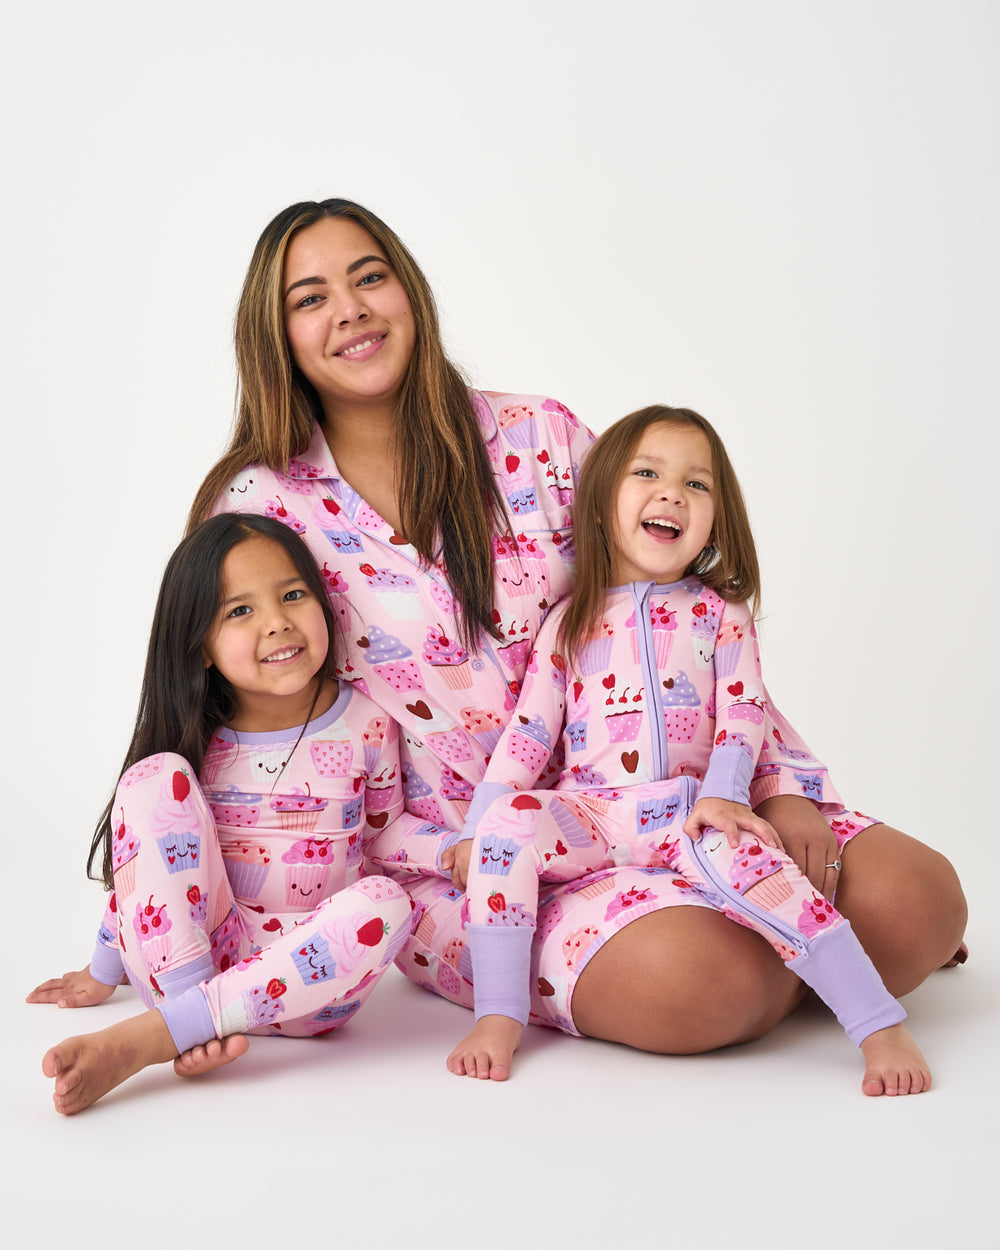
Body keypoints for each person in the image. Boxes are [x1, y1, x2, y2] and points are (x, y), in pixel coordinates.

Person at [31, 198, 966, 1082]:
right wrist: (135, 951)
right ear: (273, 335)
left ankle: (788, 955)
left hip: (670, 790)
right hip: (470, 858)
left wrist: (779, 785)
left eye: (369, 277)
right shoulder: (258, 504)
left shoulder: (542, 436)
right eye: (309, 298)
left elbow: (683, 618)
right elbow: (224, 726)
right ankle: (784, 966)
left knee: (923, 905)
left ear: (409, 289)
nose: (350, 311)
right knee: (707, 986)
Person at [448, 405, 929, 1094]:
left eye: (696, 484)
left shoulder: (719, 612)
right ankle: (498, 1015)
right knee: (506, 825)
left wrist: (726, 797)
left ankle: (878, 1024)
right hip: (597, 815)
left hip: (690, 810)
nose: (672, 494)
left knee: (772, 879)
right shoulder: (567, 621)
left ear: (716, 518)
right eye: (647, 474)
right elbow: (529, 734)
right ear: (600, 500)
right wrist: (478, 827)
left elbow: (744, 712)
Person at [31, 514, 413, 1114]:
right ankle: (188, 1015)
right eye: (240, 610)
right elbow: (155, 865)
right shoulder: (196, 740)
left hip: (307, 983)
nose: (276, 622)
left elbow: (385, 838)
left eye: (292, 595)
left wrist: (453, 849)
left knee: (390, 902)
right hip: (190, 963)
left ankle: (170, 1030)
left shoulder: (369, 720)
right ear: (202, 648)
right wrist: (103, 968)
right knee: (152, 777)